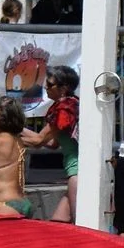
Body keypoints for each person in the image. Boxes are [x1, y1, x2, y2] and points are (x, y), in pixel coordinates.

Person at [23, 66, 80, 221]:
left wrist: (8, 136)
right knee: (58, 223)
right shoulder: (71, 104)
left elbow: (38, 141)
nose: (46, 88)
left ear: (64, 88)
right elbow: (53, 143)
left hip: (77, 173)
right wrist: (16, 129)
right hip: (76, 172)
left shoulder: (64, 109)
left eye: (50, 84)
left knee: (82, 226)